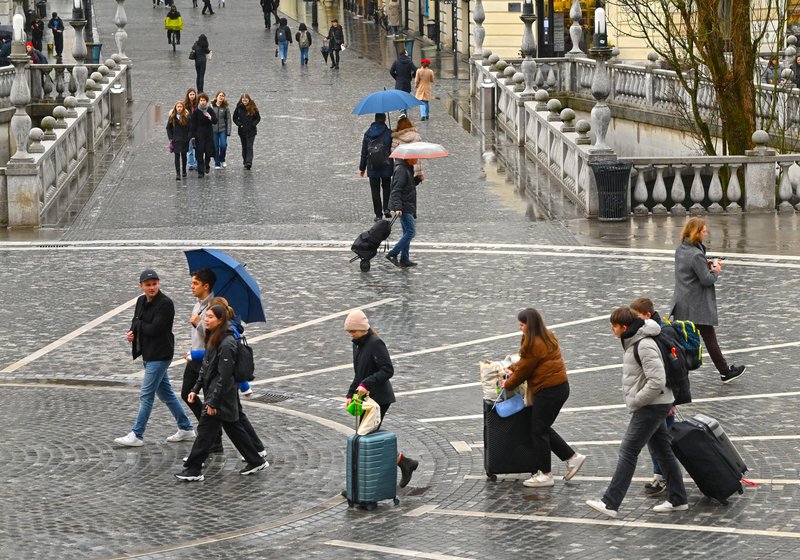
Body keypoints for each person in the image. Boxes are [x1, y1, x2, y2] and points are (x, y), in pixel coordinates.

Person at [585, 306, 688, 518]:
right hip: (657, 403)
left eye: (614, 327)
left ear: (624, 327)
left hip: (652, 405)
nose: (612, 331)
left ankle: (610, 503)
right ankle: (678, 499)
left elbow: (657, 380)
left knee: (628, 450)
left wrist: (636, 400)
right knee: (662, 450)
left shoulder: (643, 344)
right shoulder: (635, 341)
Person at [175, 305, 269, 481]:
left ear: (220, 320)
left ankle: (194, 469)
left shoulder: (227, 344)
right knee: (233, 428)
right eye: (206, 316)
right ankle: (255, 460)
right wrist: (195, 389)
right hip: (218, 395)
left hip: (220, 397)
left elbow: (224, 377)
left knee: (205, 432)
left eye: (210, 317)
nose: (206, 320)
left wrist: (212, 402)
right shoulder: (214, 338)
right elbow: (206, 367)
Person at [501, 308, 587, 488]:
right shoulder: (544, 335)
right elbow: (526, 363)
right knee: (541, 427)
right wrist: (513, 368)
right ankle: (572, 458)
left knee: (538, 429)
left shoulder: (535, 343)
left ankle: (545, 474)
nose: (520, 327)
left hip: (549, 391)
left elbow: (525, 369)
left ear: (529, 325)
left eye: (522, 324)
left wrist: (507, 384)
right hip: (558, 388)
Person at [115, 269, 195, 447]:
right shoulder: (141, 300)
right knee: (166, 394)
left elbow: (154, 329)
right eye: (148, 285)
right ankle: (186, 428)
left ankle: (137, 434)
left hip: (160, 355)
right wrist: (132, 333)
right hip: (148, 353)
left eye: (154, 284)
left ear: (159, 284)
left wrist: (139, 326)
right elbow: (136, 322)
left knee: (146, 394)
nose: (152, 287)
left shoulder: (166, 304)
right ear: (141, 286)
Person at [344, 309, 419, 488]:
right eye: (349, 332)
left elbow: (387, 370)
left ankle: (368, 486)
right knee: (367, 440)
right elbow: (359, 374)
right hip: (366, 400)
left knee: (365, 440)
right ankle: (404, 462)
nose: (351, 335)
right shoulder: (357, 344)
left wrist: (366, 384)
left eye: (353, 331)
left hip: (378, 400)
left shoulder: (375, 343)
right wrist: (350, 393)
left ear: (363, 329)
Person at [671, 217, 745, 384]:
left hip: (682, 303)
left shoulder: (681, 249)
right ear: (697, 233)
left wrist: (706, 262)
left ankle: (678, 373)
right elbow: (706, 279)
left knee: (681, 341)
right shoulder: (696, 254)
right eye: (703, 231)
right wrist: (715, 270)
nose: (705, 234)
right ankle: (725, 372)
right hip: (697, 306)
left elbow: (690, 268)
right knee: (709, 340)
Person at [630, 297, 676, 497]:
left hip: (662, 398)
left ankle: (664, 478)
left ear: (647, 315)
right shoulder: (654, 332)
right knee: (657, 441)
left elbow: (670, 369)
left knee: (662, 443)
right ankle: (663, 477)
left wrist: (672, 400)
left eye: (637, 317)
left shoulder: (660, 334)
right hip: (660, 397)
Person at [359, 113, 393, 221]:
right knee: (387, 187)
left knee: (375, 190)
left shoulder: (368, 134)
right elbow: (393, 149)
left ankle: (378, 214)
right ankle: (387, 208)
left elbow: (364, 152)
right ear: (384, 120)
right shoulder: (388, 133)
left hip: (372, 166)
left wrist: (362, 168)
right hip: (386, 165)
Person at [385, 157, 418, 268]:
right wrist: (398, 207)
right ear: (408, 158)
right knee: (410, 232)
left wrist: (418, 179)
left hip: (407, 204)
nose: (417, 159)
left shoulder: (407, 168)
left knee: (406, 232)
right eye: (415, 158)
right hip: (403, 206)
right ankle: (393, 253)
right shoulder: (401, 170)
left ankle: (404, 259)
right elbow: (396, 190)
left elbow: (408, 186)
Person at [190, 92, 217, 177]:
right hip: (199, 134)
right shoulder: (197, 111)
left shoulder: (209, 109)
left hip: (209, 133)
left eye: (204, 100)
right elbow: (193, 124)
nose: (202, 102)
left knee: (208, 152)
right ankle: (200, 172)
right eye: (201, 100)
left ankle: (207, 164)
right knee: (199, 152)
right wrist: (192, 135)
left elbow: (215, 121)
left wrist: (209, 117)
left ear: (206, 101)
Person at [233, 93, 261, 170]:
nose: (245, 101)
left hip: (251, 131)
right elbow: (234, 118)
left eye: (246, 100)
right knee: (244, 146)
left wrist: (253, 124)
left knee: (249, 146)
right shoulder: (238, 108)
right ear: (241, 100)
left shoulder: (253, 107)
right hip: (242, 131)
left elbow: (258, 118)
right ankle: (245, 161)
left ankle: (249, 162)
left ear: (249, 100)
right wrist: (239, 124)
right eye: (243, 100)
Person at [391, 115, 423, 180]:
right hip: (413, 166)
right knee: (411, 187)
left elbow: (393, 152)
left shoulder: (397, 137)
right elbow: (418, 155)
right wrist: (420, 172)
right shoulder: (416, 136)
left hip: (401, 167)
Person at [166, 100, 191, 180]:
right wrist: (171, 138)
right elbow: (168, 128)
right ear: (175, 108)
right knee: (176, 156)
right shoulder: (172, 117)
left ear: (183, 108)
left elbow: (190, 127)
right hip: (175, 140)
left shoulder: (186, 117)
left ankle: (184, 170)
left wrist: (189, 137)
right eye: (178, 107)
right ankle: (178, 173)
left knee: (184, 155)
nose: (179, 108)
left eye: (181, 107)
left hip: (184, 139)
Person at [210, 91, 231, 169]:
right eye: (220, 95)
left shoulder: (225, 107)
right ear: (216, 96)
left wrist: (228, 131)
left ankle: (222, 158)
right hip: (214, 130)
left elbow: (228, 119)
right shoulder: (212, 107)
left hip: (223, 129)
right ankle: (217, 162)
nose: (221, 97)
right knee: (215, 147)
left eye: (222, 96)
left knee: (223, 145)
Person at [184, 88, 199, 171]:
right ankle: (190, 164)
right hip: (188, 129)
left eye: (193, 94)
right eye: (191, 94)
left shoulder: (198, 105)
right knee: (189, 147)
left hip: (197, 129)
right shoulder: (185, 106)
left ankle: (197, 163)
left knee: (197, 147)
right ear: (188, 95)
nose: (192, 96)